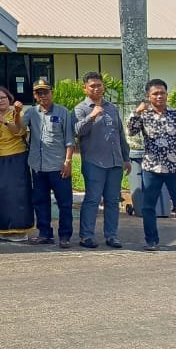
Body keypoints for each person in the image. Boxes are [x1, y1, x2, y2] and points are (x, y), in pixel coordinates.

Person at [128, 79, 176, 251]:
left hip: (175, 168)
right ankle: (151, 240)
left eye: (162, 93)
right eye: (155, 94)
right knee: (148, 207)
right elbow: (131, 131)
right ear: (148, 96)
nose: (159, 96)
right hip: (152, 168)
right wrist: (136, 112)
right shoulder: (144, 115)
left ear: (167, 94)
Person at [73, 71, 130, 249]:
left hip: (115, 162)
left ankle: (112, 235)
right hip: (94, 162)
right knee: (93, 199)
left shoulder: (111, 108)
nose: (96, 88)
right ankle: (86, 236)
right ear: (85, 88)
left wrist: (126, 157)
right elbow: (77, 131)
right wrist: (92, 116)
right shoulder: (80, 109)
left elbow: (120, 134)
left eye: (99, 85)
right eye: (92, 86)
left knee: (112, 201)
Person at [22, 79, 76, 247]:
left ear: (51, 92)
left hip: (58, 166)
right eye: (39, 93)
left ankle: (65, 236)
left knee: (64, 203)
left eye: (45, 92)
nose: (43, 96)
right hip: (38, 166)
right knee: (40, 202)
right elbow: (18, 128)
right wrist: (15, 113)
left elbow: (69, 139)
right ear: (34, 95)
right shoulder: (31, 112)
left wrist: (68, 161)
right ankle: (44, 234)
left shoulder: (63, 112)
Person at [0, 87, 33, 240]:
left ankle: (20, 229)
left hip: (17, 157)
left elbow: (18, 131)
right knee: (2, 195)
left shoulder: (16, 113)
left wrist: (5, 121)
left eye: (3, 97)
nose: (0, 100)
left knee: (18, 194)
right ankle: (4, 229)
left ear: (9, 99)